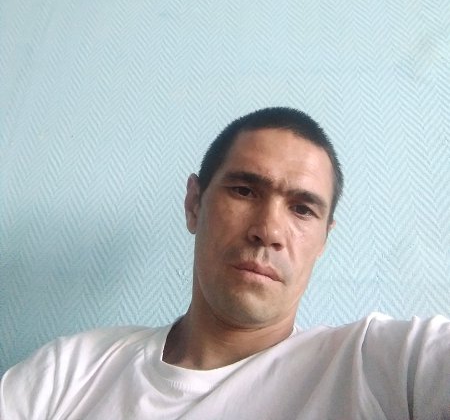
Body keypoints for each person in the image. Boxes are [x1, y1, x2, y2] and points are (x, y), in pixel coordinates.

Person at [1, 107, 449, 419]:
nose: (268, 231)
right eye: (244, 190)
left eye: (302, 209)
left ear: (323, 241)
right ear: (194, 204)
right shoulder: (69, 372)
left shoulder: (378, 369)